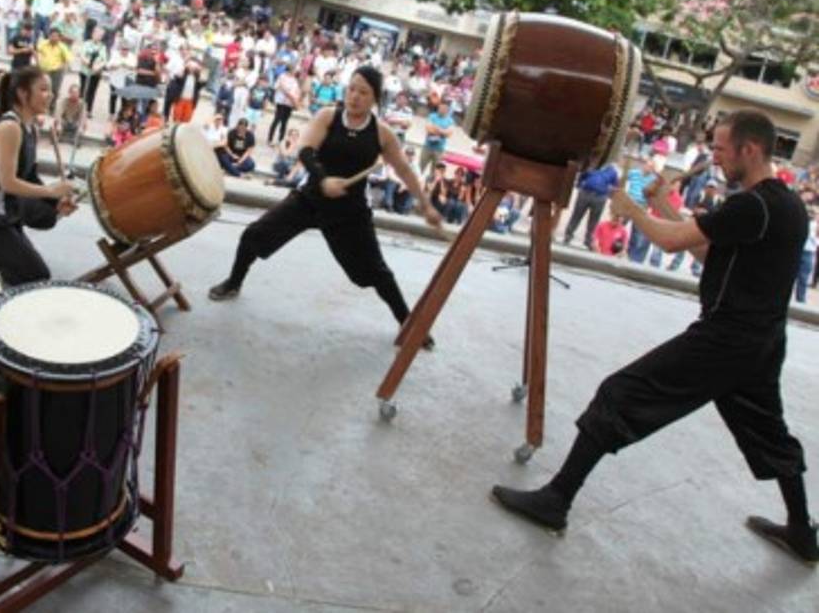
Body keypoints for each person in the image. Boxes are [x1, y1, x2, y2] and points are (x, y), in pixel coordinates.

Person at [492, 111, 818, 565]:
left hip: (725, 340)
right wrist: (663, 205)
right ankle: (802, 531)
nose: (715, 158)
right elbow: (706, 250)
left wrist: (634, 212)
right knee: (770, 435)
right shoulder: (785, 205)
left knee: (619, 394)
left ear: (750, 149)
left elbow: (670, 243)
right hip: (760, 344)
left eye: (722, 149)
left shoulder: (752, 206)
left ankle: (557, 499)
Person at [208, 67, 443, 339]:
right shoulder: (328, 116)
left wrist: (426, 206)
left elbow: (405, 171)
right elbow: (306, 149)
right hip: (311, 199)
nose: (355, 96)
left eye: (363, 92)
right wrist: (323, 179)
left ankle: (408, 322)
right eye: (352, 89)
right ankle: (233, 282)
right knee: (253, 235)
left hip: (350, 212)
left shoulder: (382, 134)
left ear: (375, 99)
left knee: (376, 272)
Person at [0, 67, 77, 285]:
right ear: (22, 93)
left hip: (6, 215)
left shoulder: (30, 128)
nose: (51, 95)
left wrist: (56, 203)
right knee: (35, 275)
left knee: (33, 274)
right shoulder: (10, 127)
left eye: (50, 90)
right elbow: (7, 183)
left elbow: (30, 178)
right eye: (43, 89)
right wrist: (51, 190)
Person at [562, 164, 620, 249]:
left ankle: (576, 237)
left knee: (579, 216)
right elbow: (615, 186)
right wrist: (609, 192)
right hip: (596, 195)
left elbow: (582, 176)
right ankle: (581, 239)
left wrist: (579, 185)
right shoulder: (602, 169)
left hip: (590, 193)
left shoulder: (602, 169)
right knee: (589, 219)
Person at [37, 27, 73, 101]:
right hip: (45, 70)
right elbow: (36, 52)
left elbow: (68, 59)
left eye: (56, 36)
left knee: (54, 90)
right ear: (49, 36)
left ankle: (52, 106)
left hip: (56, 72)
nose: (53, 38)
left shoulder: (62, 47)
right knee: (43, 88)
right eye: (52, 36)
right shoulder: (43, 44)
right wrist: (38, 63)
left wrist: (62, 68)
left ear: (59, 38)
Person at [419, 101, 455, 175]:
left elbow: (449, 134)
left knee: (435, 172)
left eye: (444, 108)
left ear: (447, 110)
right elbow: (428, 129)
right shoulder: (432, 116)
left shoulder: (450, 121)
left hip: (439, 149)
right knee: (420, 168)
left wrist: (436, 128)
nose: (441, 109)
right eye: (440, 107)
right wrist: (443, 131)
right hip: (427, 147)